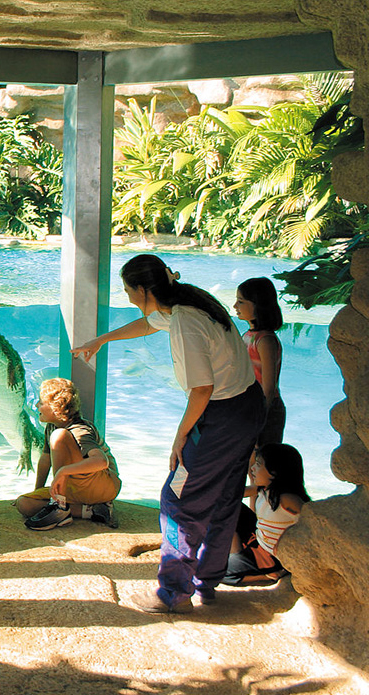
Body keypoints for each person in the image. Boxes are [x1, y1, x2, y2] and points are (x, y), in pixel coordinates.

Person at [72, 254, 265, 614]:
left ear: (144, 289)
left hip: (220, 417)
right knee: (223, 497)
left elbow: (202, 389)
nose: (128, 296)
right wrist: (101, 340)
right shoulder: (191, 301)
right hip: (247, 407)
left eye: (129, 290)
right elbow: (148, 323)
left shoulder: (185, 324)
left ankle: (174, 593)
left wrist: (181, 435)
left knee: (178, 500)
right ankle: (207, 583)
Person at [15, 378, 121, 531]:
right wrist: (37, 490)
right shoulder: (51, 428)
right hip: (77, 487)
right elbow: (45, 461)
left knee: (59, 436)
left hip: (104, 485)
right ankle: (93, 511)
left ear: (56, 407)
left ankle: (60, 508)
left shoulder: (80, 429)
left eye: (41, 402)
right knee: (24, 504)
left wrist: (63, 472)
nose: (37, 405)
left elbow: (101, 462)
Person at [223, 443, 309, 586]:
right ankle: (237, 555)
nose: (252, 469)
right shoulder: (264, 489)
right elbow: (232, 495)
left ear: (274, 472)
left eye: (258, 465)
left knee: (217, 572)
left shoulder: (287, 499)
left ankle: (270, 575)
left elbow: (311, 519)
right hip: (258, 539)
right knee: (228, 506)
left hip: (269, 556)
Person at [234, 277, 285, 448]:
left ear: (257, 304)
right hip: (251, 407)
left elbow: (269, 388)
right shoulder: (249, 336)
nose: (235, 306)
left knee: (262, 462)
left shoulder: (265, 341)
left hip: (266, 410)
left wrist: (256, 422)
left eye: (240, 302)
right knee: (249, 463)